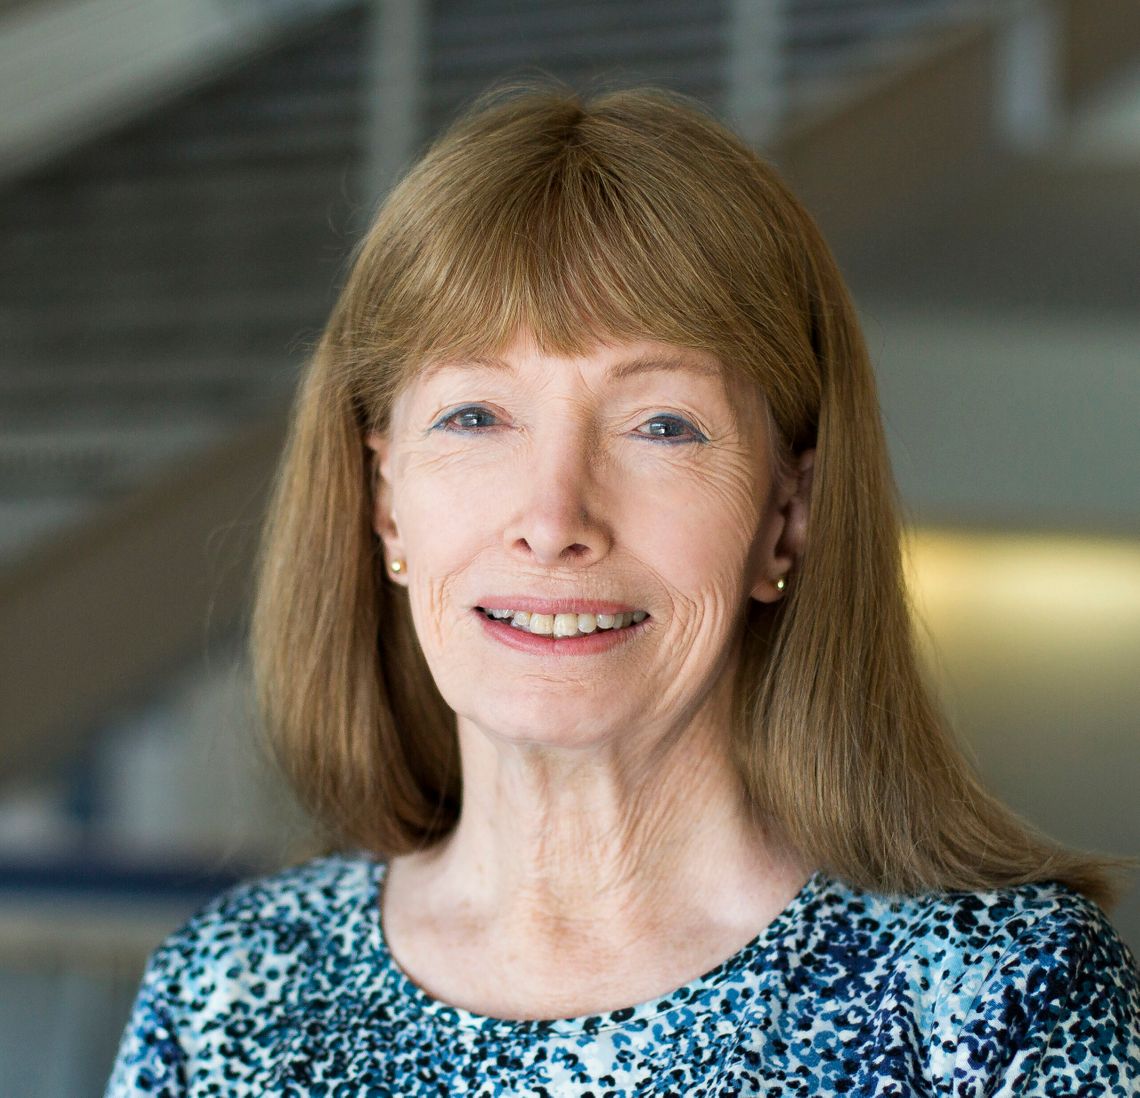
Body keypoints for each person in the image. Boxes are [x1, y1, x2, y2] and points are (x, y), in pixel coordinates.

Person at [106, 85, 1139, 1096]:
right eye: (475, 416)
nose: (555, 519)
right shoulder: (230, 997)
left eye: (662, 425)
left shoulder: (993, 1003)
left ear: (788, 509)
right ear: (385, 503)